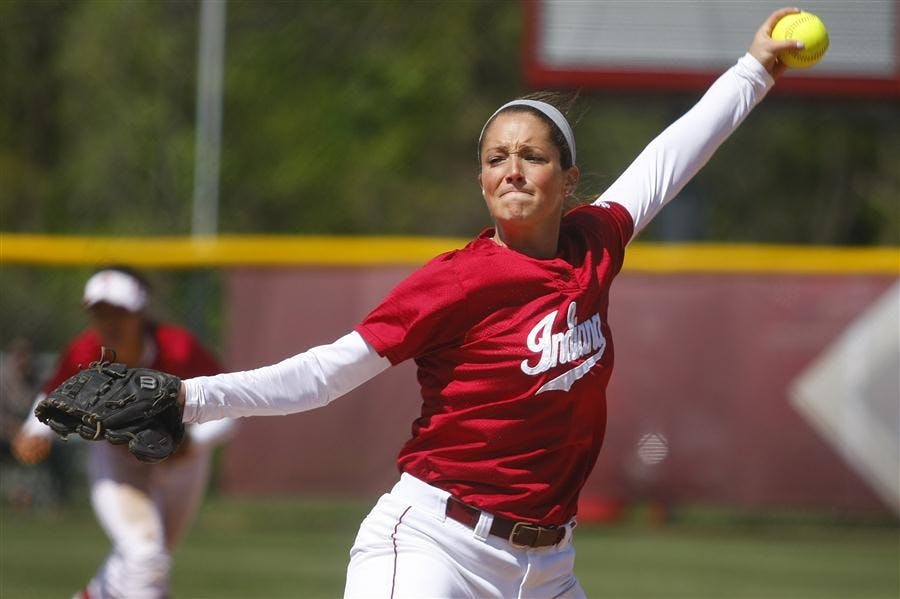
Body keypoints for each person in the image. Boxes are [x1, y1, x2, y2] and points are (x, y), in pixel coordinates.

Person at [87, 9, 799, 597]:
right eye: (495, 157)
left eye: (532, 155)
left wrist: (756, 69)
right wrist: (186, 397)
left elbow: (670, 159)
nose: (511, 168)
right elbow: (327, 372)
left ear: (569, 177)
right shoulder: (458, 280)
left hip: (550, 569)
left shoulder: (595, 244)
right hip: (435, 550)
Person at [13, 266, 233, 599]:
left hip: (181, 465)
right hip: (120, 461)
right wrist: (35, 431)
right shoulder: (85, 351)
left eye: (119, 311)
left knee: (147, 559)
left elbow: (229, 406)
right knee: (145, 557)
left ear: (140, 313)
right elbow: (52, 396)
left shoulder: (177, 349)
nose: (109, 322)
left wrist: (191, 443)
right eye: (99, 312)